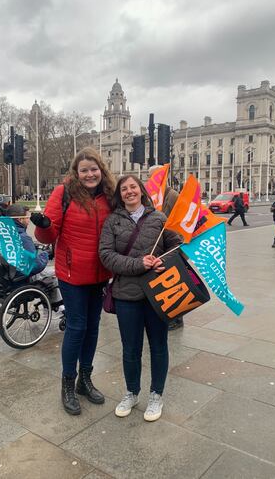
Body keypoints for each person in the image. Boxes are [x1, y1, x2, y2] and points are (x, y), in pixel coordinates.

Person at [31, 148, 116, 416]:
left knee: (92, 328)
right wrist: (44, 224)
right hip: (72, 274)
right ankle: (67, 383)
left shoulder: (110, 195)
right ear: (76, 173)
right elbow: (48, 236)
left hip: (100, 274)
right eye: (84, 170)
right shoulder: (64, 193)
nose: (90, 174)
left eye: (94, 169)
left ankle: (85, 380)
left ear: (100, 170)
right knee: (77, 328)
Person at [99, 175, 182, 422]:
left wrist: (162, 263)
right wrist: (138, 264)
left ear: (141, 190)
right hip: (127, 295)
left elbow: (177, 248)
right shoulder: (112, 221)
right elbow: (106, 255)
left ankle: (156, 394)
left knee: (158, 346)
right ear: (119, 195)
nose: (129, 192)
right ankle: (131, 392)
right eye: (124, 189)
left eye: (133, 187)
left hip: (158, 293)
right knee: (130, 348)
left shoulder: (159, 218)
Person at [147, 165, 182, 331]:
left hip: (171, 243)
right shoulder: (151, 195)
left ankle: (177, 317)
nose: (153, 180)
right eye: (151, 177)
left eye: (156, 176)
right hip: (158, 243)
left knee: (174, 281)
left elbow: (178, 220)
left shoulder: (172, 195)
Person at [6, 204, 49, 276]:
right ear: (20, 219)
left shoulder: (4, 233)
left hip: (9, 275)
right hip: (21, 277)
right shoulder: (23, 238)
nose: (29, 220)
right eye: (27, 217)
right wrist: (45, 254)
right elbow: (37, 266)